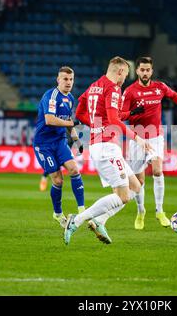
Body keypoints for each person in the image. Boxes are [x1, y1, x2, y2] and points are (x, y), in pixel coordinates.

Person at [64, 56, 152, 245]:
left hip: (101, 145)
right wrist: (137, 137)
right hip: (107, 147)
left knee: (136, 187)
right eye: (126, 75)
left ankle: (100, 220)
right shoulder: (113, 88)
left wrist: (96, 126)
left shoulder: (94, 86)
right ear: (120, 71)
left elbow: (80, 114)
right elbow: (113, 120)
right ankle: (76, 220)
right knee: (123, 195)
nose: (124, 80)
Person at [120, 56, 177, 230]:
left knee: (157, 170)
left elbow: (175, 96)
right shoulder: (130, 91)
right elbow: (120, 115)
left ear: (151, 71)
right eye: (142, 69)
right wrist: (133, 112)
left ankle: (160, 211)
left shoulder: (159, 87)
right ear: (137, 71)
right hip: (137, 137)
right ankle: (141, 212)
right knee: (139, 181)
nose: (145, 72)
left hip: (156, 136)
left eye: (148, 70)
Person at [33, 66, 85, 228]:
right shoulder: (51, 96)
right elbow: (50, 120)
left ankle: (82, 210)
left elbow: (68, 120)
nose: (68, 82)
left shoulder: (70, 98)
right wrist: (71, 123)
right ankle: (57, 214)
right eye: (65, 79)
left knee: (74, 169)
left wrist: (77, 140)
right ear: (58, 80)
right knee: (58, 180)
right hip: (44, 145)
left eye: (71, 79)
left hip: (60, 141)